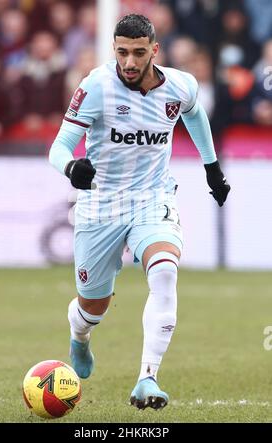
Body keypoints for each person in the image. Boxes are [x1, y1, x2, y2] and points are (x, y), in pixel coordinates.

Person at [49, 14, 230, 410]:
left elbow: (195, 114)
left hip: (152, 198)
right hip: (101, 204)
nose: (129, 62)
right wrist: (71, 167)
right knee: (91, 308)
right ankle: (79, 336)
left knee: (165, 270)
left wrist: (212, 168)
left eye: (138, 53)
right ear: (114, 50)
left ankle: (147, 378)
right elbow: (59, 148)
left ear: (154, 51)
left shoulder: (181, 85)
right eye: (122, 52)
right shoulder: (96, 86)